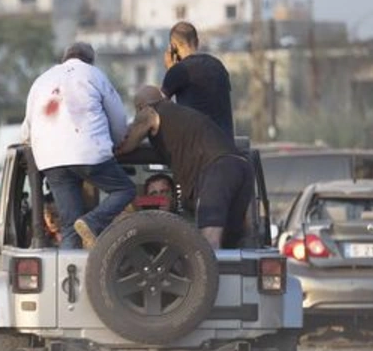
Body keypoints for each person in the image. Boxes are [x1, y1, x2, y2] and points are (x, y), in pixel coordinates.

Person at [20, 42, 135, 249]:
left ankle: (67, 279)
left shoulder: (41, 81)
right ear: (90, 60)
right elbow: (118, 120)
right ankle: (93, 221)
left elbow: (25, 132)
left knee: (69, 227)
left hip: (50, 160)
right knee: (124, 190)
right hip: (89, 152)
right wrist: (117, 143)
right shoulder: (94, 74)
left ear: (64, 58)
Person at [116, 86, 254, 249]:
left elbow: (125, 146)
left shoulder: (150, 112)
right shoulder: (181, 116)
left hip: (218, 169)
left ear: (140, 107)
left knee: (210, 238)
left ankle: (207, 274)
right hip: (243, 167)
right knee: (232, 241)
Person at [162, 21, 234, 139]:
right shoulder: (218, 65)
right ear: (197, 42)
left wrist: (171, 70)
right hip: (226, 145)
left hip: (198, 149)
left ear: (173, 47)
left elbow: (161, 108)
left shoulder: (179, 71)